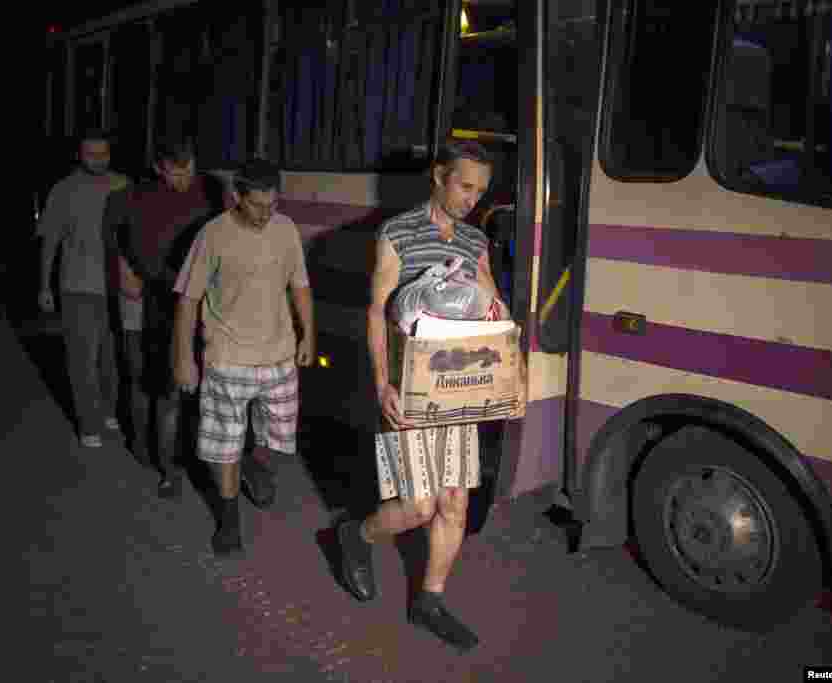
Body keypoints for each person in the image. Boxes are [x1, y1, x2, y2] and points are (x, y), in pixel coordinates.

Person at [336, 140, 526, 652]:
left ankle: (430, 601)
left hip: (458, 388)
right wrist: (381, 383)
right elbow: (377, 311)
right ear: (439, 177)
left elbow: (495, 310)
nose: (472, 199)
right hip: (412, 387)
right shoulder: (397, 232)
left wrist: (513, 375)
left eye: (481, 191)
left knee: (455, 505)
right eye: (465, 186)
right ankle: (358, 534)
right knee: (419, 506)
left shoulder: (473, 240)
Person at [172, 158, 315, 555]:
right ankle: (229, 522)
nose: (265, 214)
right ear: (236, 196)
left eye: (272, 205)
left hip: (279, 356)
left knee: (279, 438)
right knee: (223, 446)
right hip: (228, 357)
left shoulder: (285, 228)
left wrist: (309, 336)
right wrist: (184, 357)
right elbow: (188, 299)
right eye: (256, 205)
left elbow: (299, 284)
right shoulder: (212, 235)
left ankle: (251, 460)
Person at [102, 135, 222, 497]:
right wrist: (123, 267)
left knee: (207, 390)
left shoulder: (211, 190)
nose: (184, 179)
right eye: (175, 172)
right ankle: (165, 464)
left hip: (207, 301)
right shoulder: (135, 197)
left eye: (189, 169)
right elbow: (114, 236)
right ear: (158, 168)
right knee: (164, 388)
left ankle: (202, 458)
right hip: (161, 302)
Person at [37, 129, 129, 448]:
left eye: (103, 153)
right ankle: (88, 424)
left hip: (117, 287)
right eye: (91, 154)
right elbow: (50, 239)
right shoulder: (64, 189)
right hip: (77, 286)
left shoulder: (123, 185)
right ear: (79, 154)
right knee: (82, 360)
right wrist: (44, 286)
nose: (98, 159)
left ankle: (108, 410)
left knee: (111, 358)